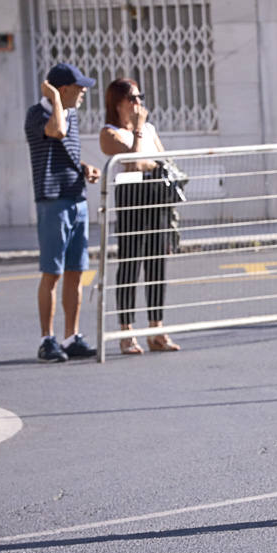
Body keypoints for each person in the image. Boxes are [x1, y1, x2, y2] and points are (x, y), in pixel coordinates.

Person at [25, 63, 102, 363]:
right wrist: (55, 101)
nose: (83, 91)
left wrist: (84, 168)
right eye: (78, 87)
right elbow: (55, 132)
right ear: (63, 89)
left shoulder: (72, 114)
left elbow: (63, 152)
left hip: (75, 196)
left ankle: (71, 337)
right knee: (52, 273)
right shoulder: (39, 114)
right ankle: (48, 339)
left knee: (75, 272)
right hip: (52, 200)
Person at [100, 79, 181, 355]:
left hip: (155, 198)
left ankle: (156, 329)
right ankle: (127, 332)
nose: (138, 104)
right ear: (118, 103)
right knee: (130, 265)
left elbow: (161, 158)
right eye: (132, 98)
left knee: (157, 263)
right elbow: (134, 163)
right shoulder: (110, 133)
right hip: (131, 199)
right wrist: (136, 133)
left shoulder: (149, 129)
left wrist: (144, 149)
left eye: (140, 97)